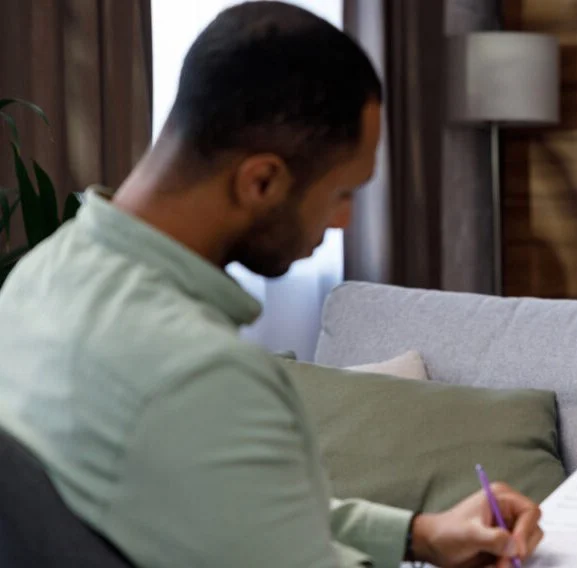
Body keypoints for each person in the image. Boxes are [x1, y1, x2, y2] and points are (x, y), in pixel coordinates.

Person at [0, 3, 544, 567]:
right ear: (261, 180)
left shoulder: (39, 278)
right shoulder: (202, 374)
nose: (344, 222)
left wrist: (419, 534)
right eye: (342, 194)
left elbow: (233, 508)